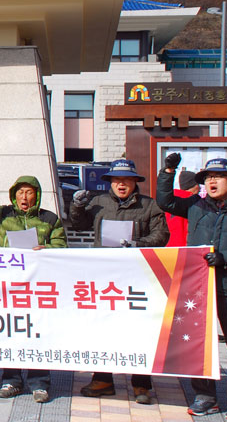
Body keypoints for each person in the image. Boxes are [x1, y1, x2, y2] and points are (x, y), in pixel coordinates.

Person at [156, 155, 227, 422]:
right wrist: (167, 171)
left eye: (218, 177)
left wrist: (226, 257)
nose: (212, 181)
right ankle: (205, 396)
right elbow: (165, 201)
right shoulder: (195, 205)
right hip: (198, 288)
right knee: (198, 343)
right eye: (208, 178)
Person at [69, 158, 169, 404]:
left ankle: (141, 384)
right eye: (116, 180)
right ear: (110, 182)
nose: (121, 184)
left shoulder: (148, 205)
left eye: (126, 180)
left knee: (139, 329)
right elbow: (79, 225)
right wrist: (77, 207)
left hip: (137, 277)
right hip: (105, 277)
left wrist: (139, 244)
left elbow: (162, 234)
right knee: (103, 327)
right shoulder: (99, 203)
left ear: (135, 182)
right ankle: (102, 379)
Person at [0, 173, 66, 403]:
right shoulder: (1, 215)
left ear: (37, 196)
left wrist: (47, 248)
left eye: (29, 192)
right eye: (20, 192)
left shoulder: (50, 219)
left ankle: (39, 382)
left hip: (37, 287)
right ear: (14, 195)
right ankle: (11, 379)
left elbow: (61, 247)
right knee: (11, 332)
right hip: (7, 286)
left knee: (36, 333)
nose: (24, 197)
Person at [165, 170, 200, 247]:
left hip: (167, 249)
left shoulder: (169, 202)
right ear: (195, 186)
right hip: (186, 249)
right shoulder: (194, 203)